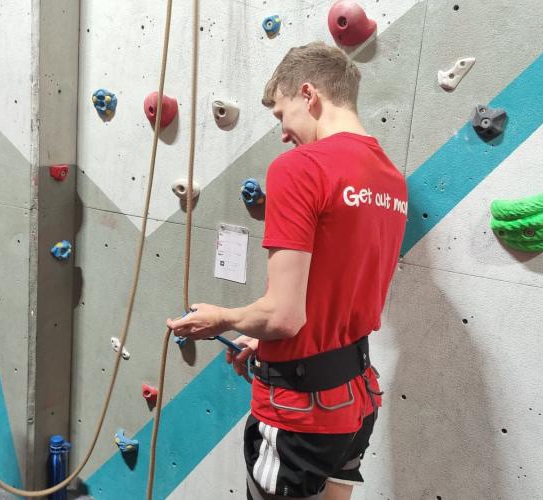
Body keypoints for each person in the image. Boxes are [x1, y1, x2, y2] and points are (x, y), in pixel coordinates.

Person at [167, 41, 408, 500]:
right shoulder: (389, 179)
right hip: (354, 401)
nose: (282, 132)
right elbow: (331, 298)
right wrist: (264, 343)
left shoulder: (300, 168)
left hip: (301, 413)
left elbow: (282, 316)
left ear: (308, 94)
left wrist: (223, 318)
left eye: (281, 115)